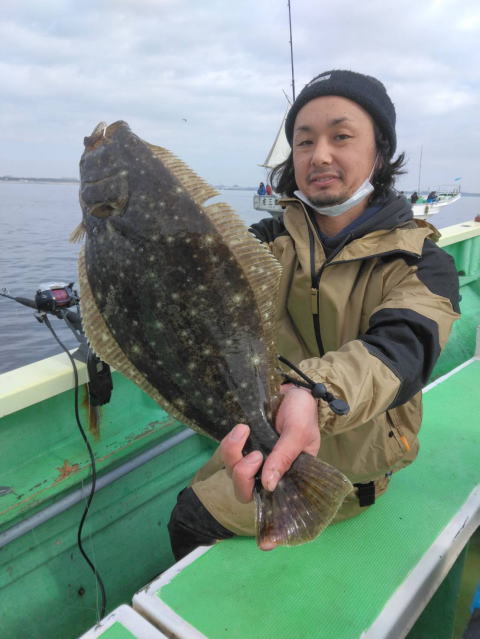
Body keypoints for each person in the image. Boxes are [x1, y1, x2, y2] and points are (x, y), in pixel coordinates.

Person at [168, 69, 460, 560]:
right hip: (264, 432)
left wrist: (314, 395)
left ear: (380, 152)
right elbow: (197, 288)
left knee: (188, 518)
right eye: (304, 142)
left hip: (349, 467)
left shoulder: (423, 263)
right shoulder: (265, 243)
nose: (319, 155)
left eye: (341, 137)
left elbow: (399, 351)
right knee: (196, 496)